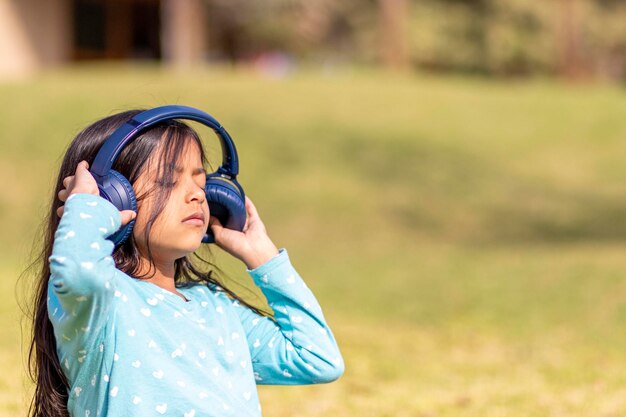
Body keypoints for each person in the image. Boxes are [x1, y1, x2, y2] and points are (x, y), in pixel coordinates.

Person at [27, 110, 345, 417]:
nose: (197, 194)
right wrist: (87, 209)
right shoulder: (101, 302)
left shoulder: (218, 309)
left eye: (200, 180)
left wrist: (260, 254)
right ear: (113, 196)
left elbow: (318, 358)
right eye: (169, 180)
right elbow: (77, 272)